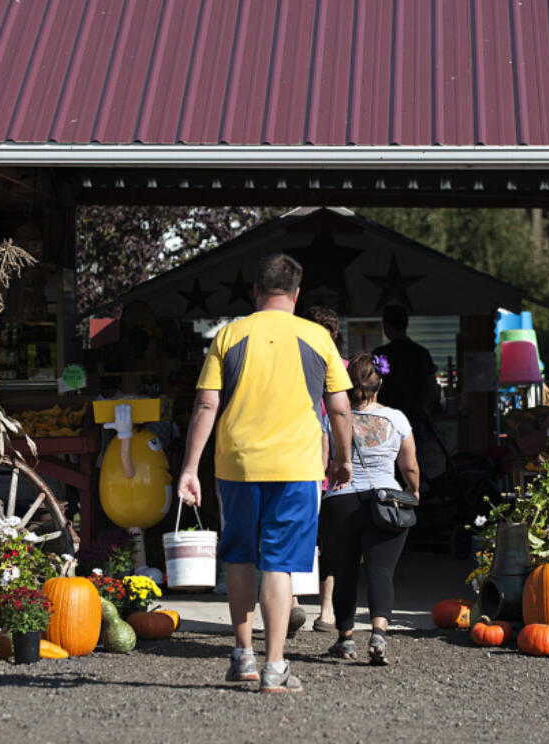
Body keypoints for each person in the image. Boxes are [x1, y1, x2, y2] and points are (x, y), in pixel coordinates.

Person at [178, 253, 352, 694]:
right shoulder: (318, 337)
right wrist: (343, 458)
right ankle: (276, 667)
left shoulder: (230, 334)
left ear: (255, 291)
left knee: (240, 556)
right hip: (296, 466)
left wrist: (189, 468)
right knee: (279, 564)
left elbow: (205, 404)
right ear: (296, 293)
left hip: (236, 463)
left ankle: (243, 657)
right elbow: (340, 408)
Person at [320, 353, 420, 666]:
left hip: (341, 500)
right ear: (380, 384)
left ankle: (346, 639)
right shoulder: (397, 419)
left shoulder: (332, 417)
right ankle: (378, 634)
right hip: (385, 500)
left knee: (344, 571)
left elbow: (323, 463)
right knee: (380, 571)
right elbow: (410, 466)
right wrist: (413, 491)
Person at [304, 305, 342, 633]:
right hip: (300, 464)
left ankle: (326, 608)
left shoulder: (342, 368)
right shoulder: (292, 367)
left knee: (330, 542)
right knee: (294, 534)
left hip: (333, 473)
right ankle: (288, 602)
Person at [373, 304, 438, 451]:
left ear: (386, 326)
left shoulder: (381, 354)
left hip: (385, 421)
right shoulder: (421, 353)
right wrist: (425, 408)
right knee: (414, 465)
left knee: (388, 467)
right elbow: (432, 388)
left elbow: (371, 387)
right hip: (415, 418)